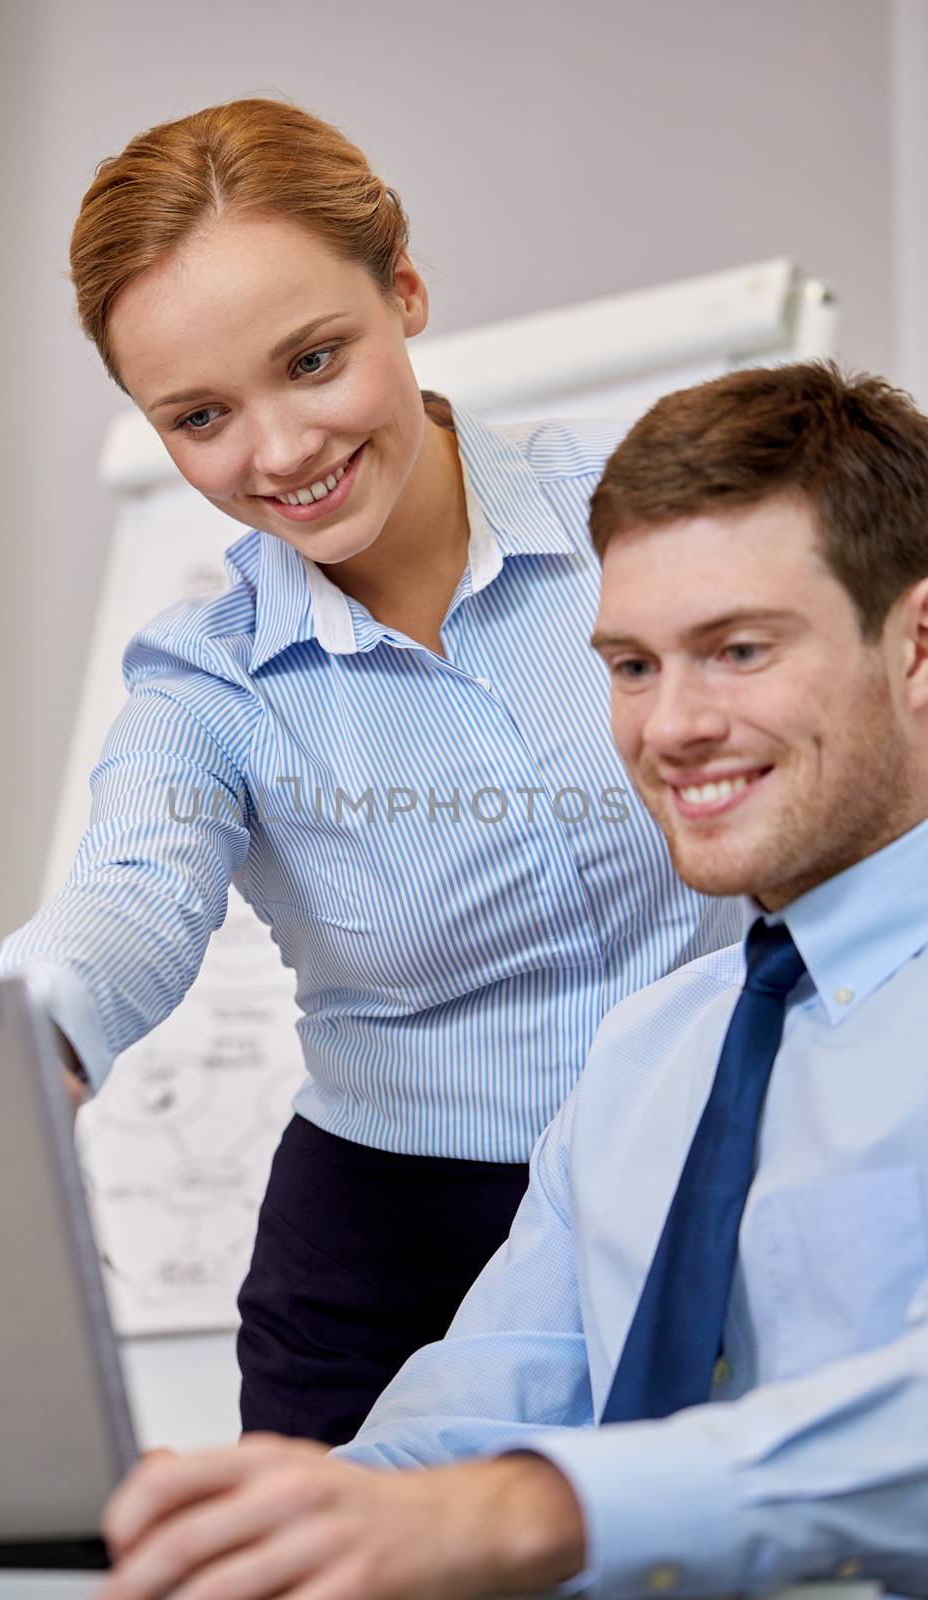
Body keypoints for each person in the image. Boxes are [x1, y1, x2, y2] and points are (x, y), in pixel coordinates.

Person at [93, 360, 928, 1600]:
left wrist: (537, 1509)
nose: (670, 725)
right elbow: (484, 1401)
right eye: (631, 666)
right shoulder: (653, 1053)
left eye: (736, 649)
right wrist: (282, 1522)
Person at [0, 96, 738, 1443]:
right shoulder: (208, 677)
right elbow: (126, 897)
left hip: (715, 1177)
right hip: (390, 1263)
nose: (278, 451)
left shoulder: (653, 512)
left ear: (403, 286)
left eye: (314, 359)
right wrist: (21, 1047)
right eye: (201, 415)